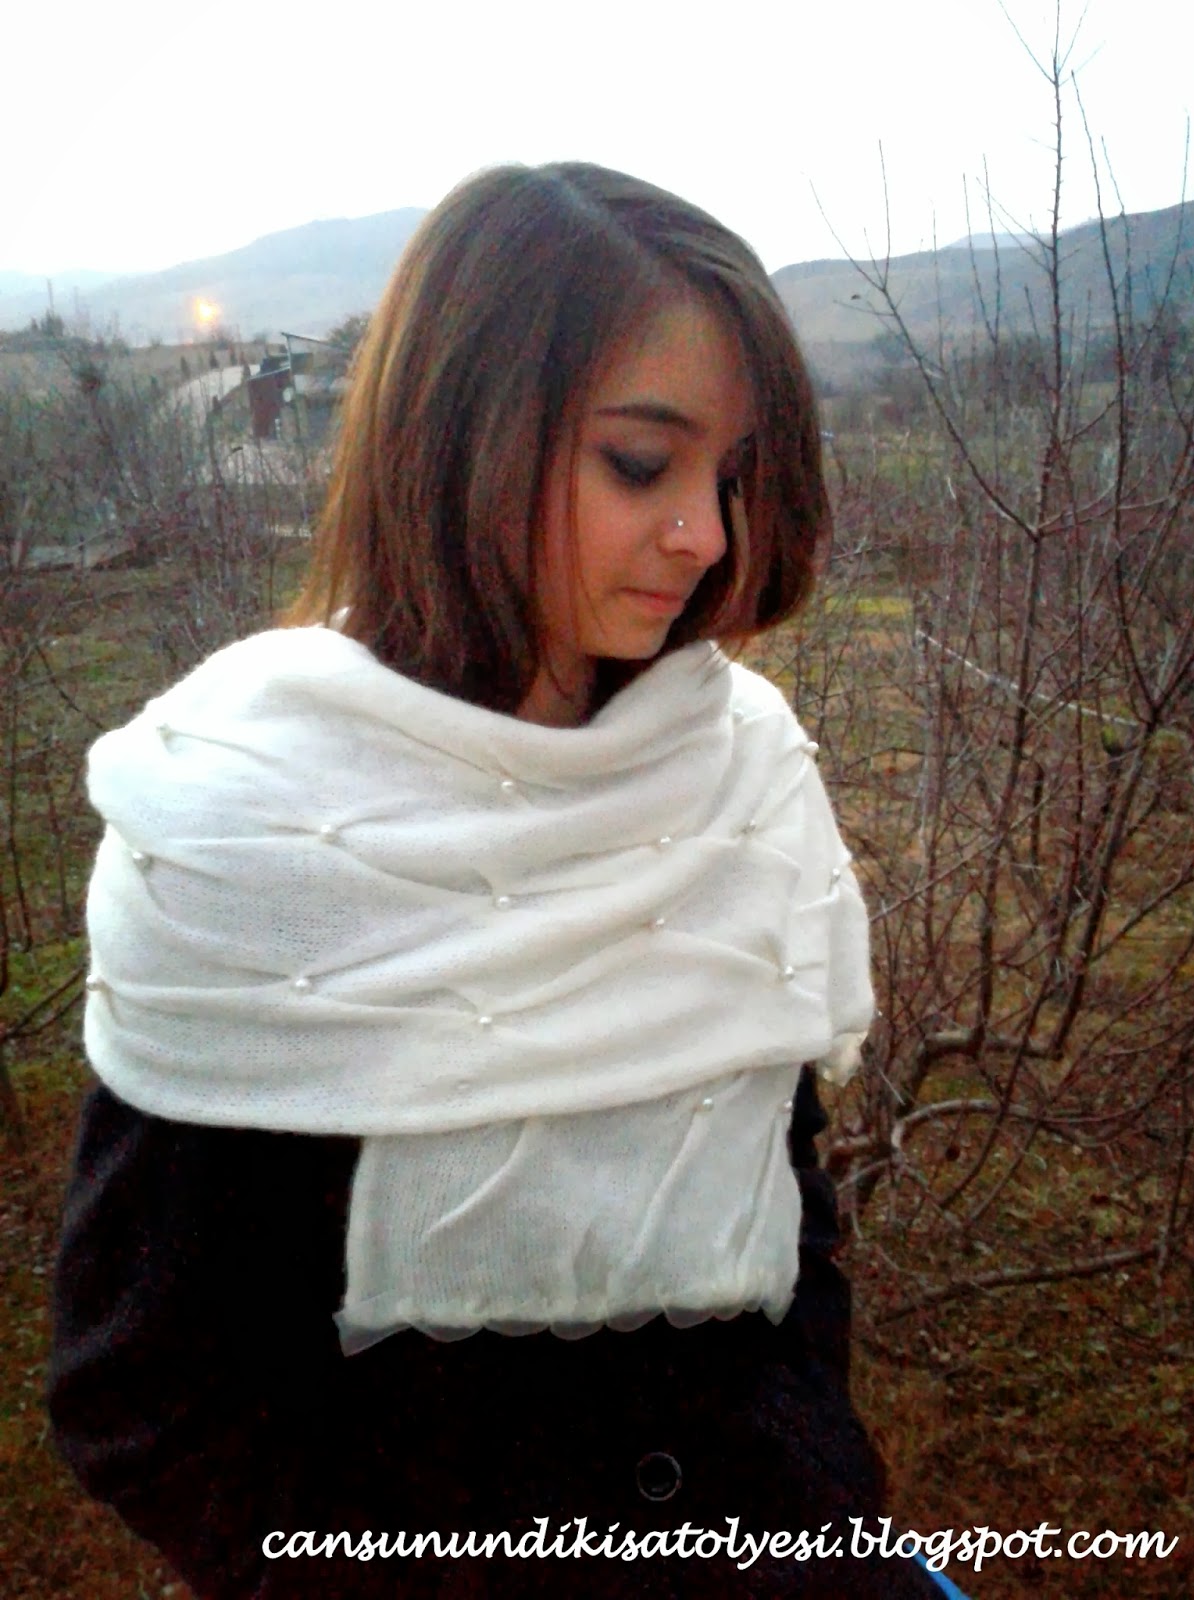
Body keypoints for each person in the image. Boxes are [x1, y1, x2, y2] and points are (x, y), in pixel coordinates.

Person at [48, 163, 947, 1598]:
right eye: (642, 464)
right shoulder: (248, 827)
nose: (707, 534)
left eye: (731, 474)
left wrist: (818, 1484)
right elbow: (148, 1393)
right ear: (467, 435)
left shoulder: (741, 772)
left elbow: (790, 1214)